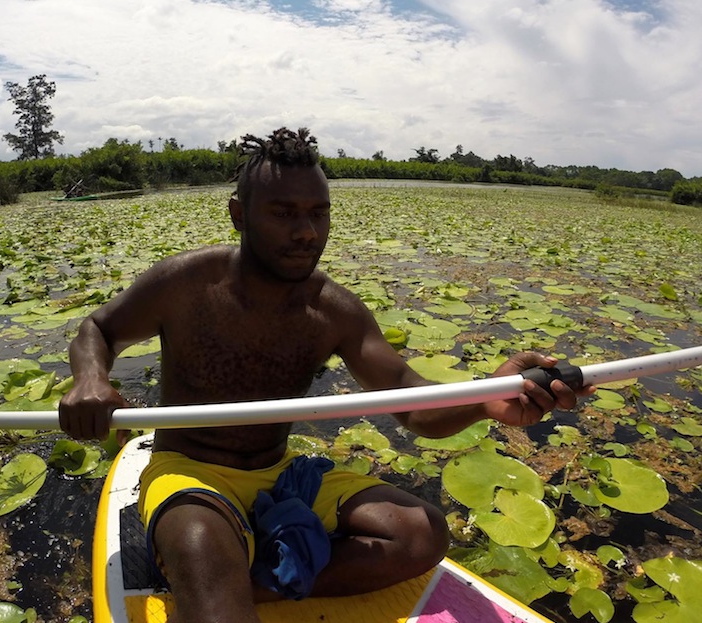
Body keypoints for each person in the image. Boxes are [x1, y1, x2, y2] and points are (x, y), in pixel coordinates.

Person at [58, 127, 590, 622]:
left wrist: (485, 398)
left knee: (422, 535)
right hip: (192, 469)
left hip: (279, 471)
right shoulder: (187, 282)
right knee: (198, 541)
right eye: (284, 213)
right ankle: (214, 577)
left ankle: (248, 586)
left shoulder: (334, 311)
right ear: (239, 215)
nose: (307, 232)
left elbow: (408, 400)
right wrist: (89, 378)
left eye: (319, 213)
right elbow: (97, 331)